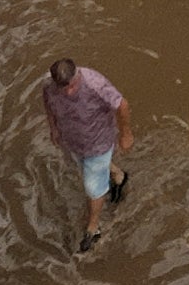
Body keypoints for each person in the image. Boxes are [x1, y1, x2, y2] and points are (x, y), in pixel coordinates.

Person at [43, 58, 133, 253]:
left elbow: (122, 105)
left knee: (92, 187)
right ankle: (118, 176)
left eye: (72, 86)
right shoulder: (50, 85)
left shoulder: (96, 84)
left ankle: (93, 228)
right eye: (63, 89)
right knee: (86, 168)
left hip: (98, 143)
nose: (68, 92)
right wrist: (53, 128)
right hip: (73, 140)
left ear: (78, 76)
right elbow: (48, 103)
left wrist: (126, 134)